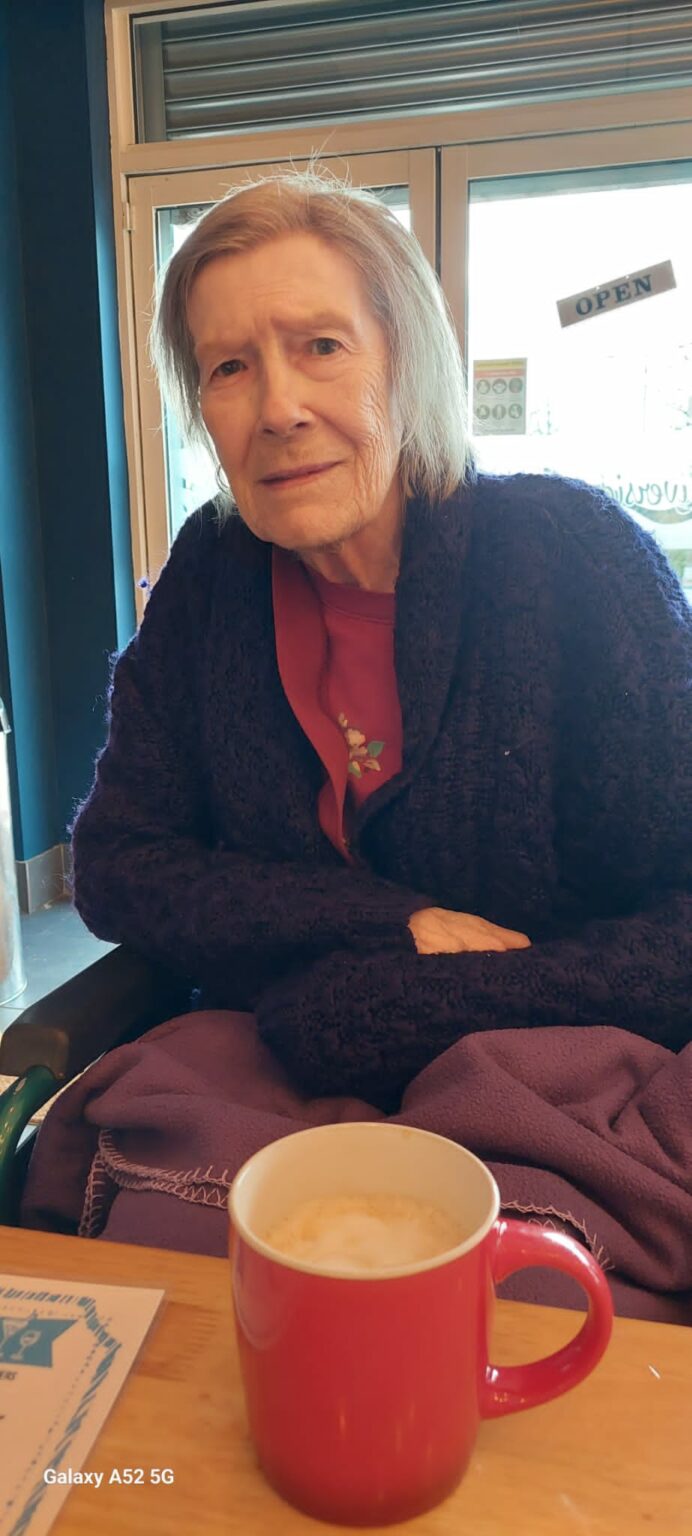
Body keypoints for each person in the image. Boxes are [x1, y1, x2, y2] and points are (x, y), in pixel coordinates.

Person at [70, 165, 691, 1114]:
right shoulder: (211, 573)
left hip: (556, 1087)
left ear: (408, 366)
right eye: (229, 367)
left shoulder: (573, 558)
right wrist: (379, 922)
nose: (278, 409)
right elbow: (119, 864)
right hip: (269, 1070)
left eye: (322, 346)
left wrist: (385, 1009)